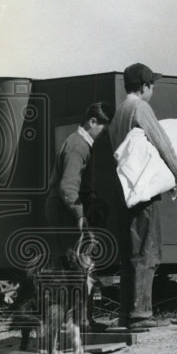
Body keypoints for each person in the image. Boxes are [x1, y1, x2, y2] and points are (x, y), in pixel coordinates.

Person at [108, 62, 177, 330]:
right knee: (147, 252)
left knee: (130, 254)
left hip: (124, 189)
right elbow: (162, 141)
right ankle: (141, 314)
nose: (153, 90)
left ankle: (127, 314)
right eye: (152, 85)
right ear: (144, 86)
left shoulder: (120, 111)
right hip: (142, 189)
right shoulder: (140, 107)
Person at [45, 102, 112, 263]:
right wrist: (80, 215)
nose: (105, 134)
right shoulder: (78, 145)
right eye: (104, 128)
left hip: (63, 212)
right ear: (93, 122)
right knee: (72, 267)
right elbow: (67, 187)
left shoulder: (78, 142)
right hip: (64, 214)